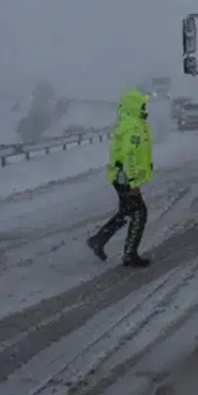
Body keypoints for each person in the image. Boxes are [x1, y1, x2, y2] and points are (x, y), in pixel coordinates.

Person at [86, 88, 153, 267]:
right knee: (139, 213)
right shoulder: (133, 126)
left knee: (126, 212)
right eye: (142, 103)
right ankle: (129, 255)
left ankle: (98, 240)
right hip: (125, 177)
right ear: (134, 105)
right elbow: (129, 155)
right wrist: (133, 182)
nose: (145, 106)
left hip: (120, 176)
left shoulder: (130, 122)